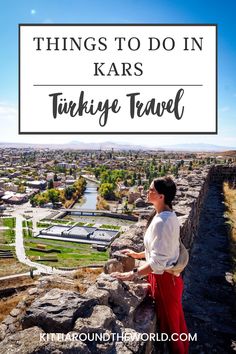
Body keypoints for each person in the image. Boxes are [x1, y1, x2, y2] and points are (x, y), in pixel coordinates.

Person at [111, 177, 189, 354]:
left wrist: (132, 274)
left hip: (166, 282)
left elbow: (159, 261)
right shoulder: (165, 215)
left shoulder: (162, 222)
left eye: (151, 189)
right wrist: (138, 255)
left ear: (161, 196)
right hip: (164, 279)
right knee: (173, 324)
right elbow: (162, 249)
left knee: (172, 329)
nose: (147, 191)